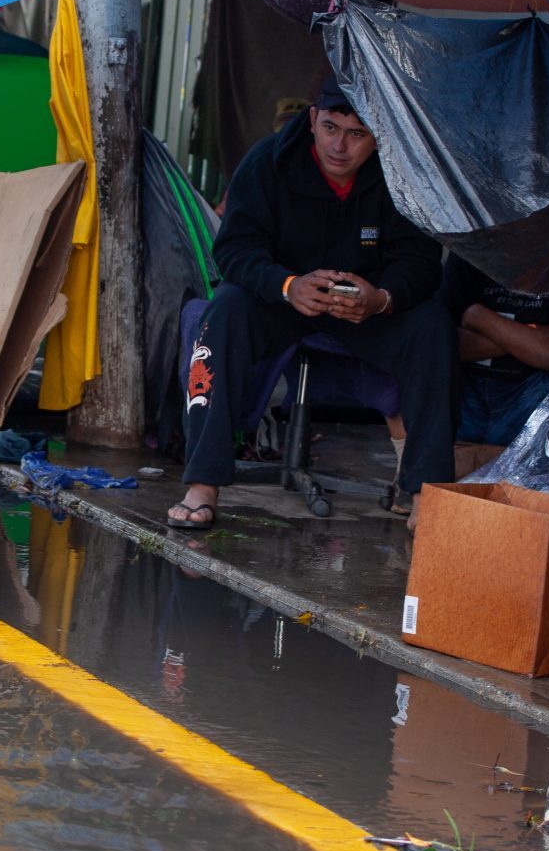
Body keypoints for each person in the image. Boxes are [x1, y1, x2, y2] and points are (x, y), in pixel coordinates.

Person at [169, 81, 457, 529]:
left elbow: (421, 262)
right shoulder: (268, 162)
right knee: (225, 311)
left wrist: (380, 299)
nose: (339, 146)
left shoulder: (401, 172)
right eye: (330, 128)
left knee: (432, 326)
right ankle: (203, 483)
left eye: (357, 134)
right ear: (312, 121)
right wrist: (286, 284)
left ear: (379, 134)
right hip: (281, 298)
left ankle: (425, 490)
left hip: (361, 307)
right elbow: (234, 249)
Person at [442, 257, 549, 447]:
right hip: (464, 391)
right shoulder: (468, 254)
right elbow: (443, 345)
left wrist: (478, 318)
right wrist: (532, 336)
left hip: (531, 392)